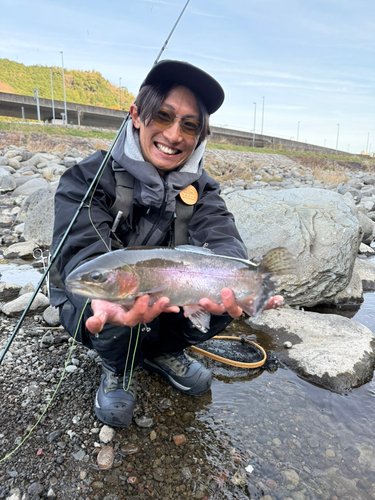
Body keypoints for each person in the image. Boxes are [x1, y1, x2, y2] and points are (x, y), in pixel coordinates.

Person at [50, 60, 282, 428]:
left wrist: (246, 280)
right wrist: (92, 293)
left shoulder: (202, 190)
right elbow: (79, 248)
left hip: (171, 300)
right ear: (137, 115)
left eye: (189, 126)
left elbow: (223, 240)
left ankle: (162, 353)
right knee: (113, 298)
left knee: (223, 298)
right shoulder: (87, 177)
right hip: (87, 300)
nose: (175, 135)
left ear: (200, 136)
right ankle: (117, 366)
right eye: (163, 116)